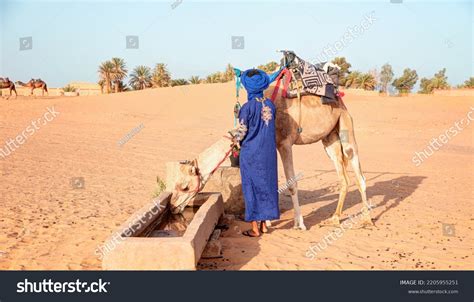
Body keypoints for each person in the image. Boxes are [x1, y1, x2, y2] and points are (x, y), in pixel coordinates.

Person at [237, 68, 282, 237]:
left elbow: (241, 131)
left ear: (248, 88)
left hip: (251, 154)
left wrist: (235, 141)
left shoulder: (247, 108)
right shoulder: (270, 104)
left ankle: (255, 229)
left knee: (252, 188)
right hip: (268, 154)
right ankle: (264, 225)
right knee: (267, 186)